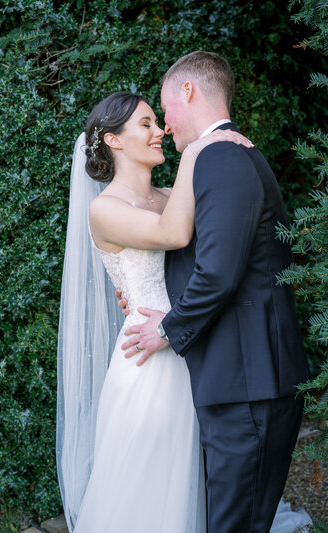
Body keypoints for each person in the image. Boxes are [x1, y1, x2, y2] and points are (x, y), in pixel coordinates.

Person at [121, 51, 311, 532]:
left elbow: (219, 273)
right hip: (237, 379)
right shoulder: (218, 155)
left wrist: (165, 328)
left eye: (164, 109)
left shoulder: (223, 156)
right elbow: (191, 251)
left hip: (246, 381)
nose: (165, 124)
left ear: (188, 91)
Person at [56, 91, 253, 533]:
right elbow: (174, 233)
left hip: (195, 348)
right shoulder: (104, 209)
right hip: (147, 363)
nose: (160, 131)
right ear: (114, 141)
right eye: (145, 124)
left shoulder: (170, 194)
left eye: (156, 122)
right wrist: (202, 146)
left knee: (192, 485)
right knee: (146, 489)